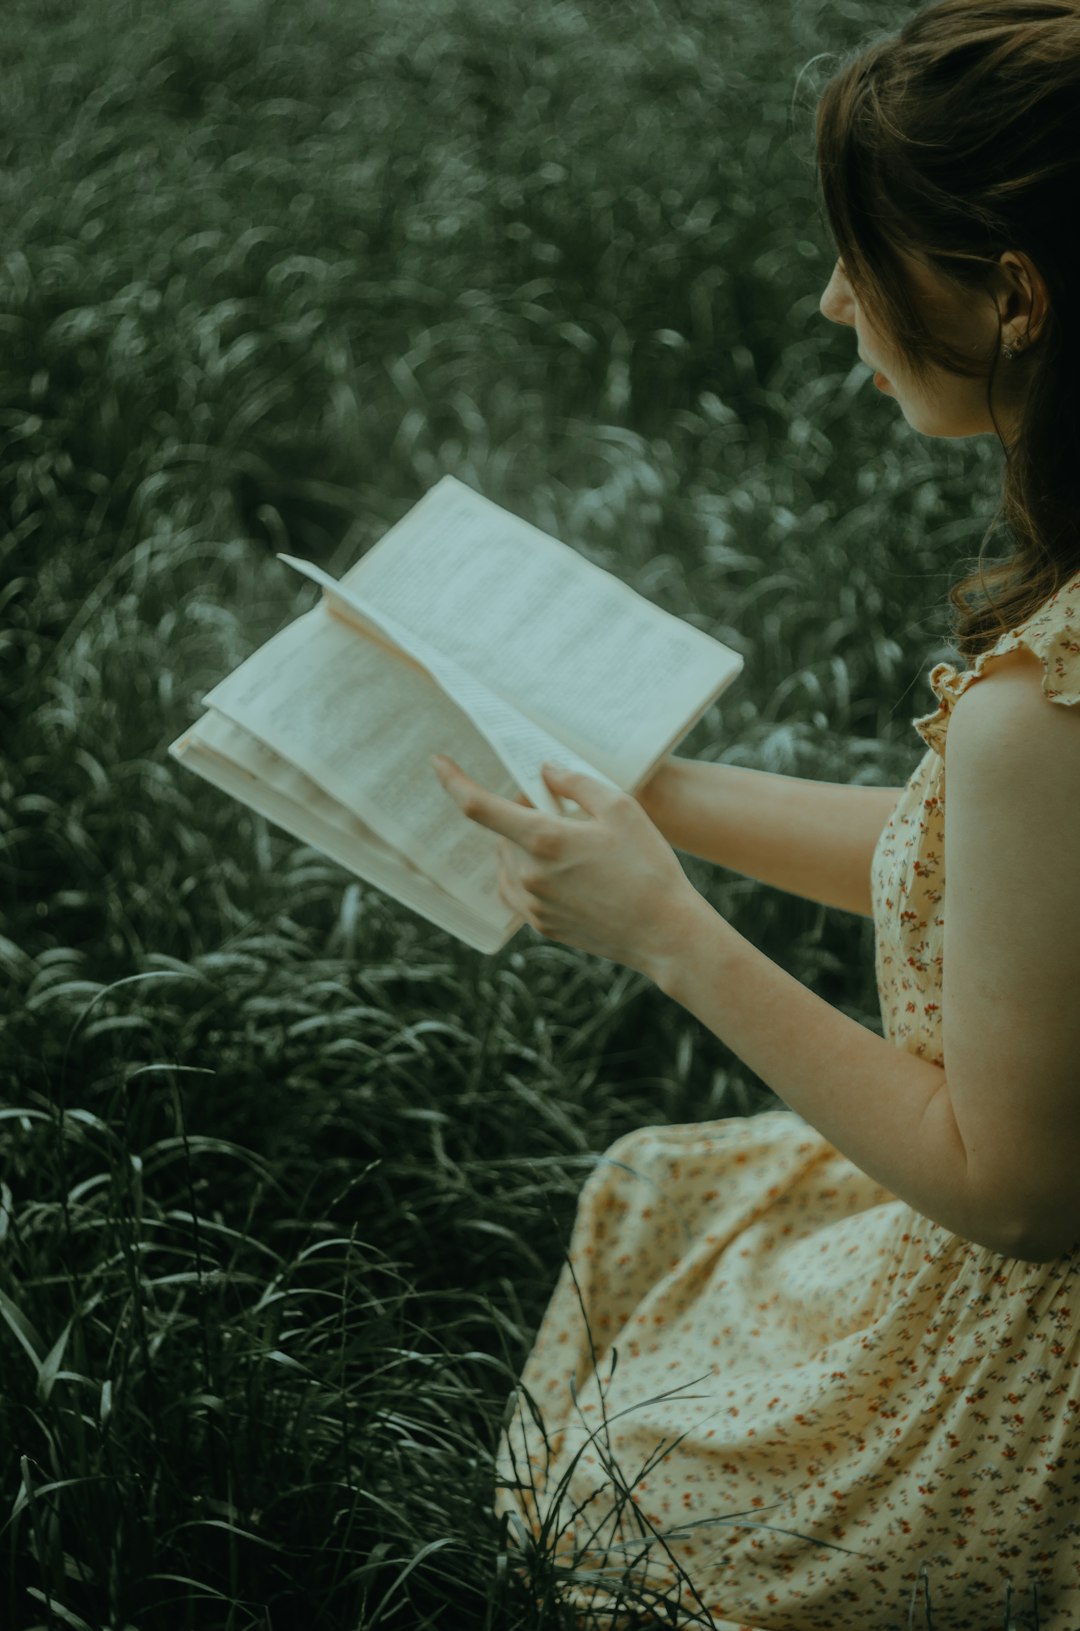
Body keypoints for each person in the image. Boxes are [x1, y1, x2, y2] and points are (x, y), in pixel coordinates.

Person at [431, 0, 1080, 1623]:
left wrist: (667, 933)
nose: (829, 298)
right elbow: (1013, 896)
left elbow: (1019, 1194)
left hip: (1038, 1373)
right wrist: (661, 795)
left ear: (1015, 294)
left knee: (613, 1510)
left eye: (864, 255)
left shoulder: (1041, 712)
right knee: (659, 1197)